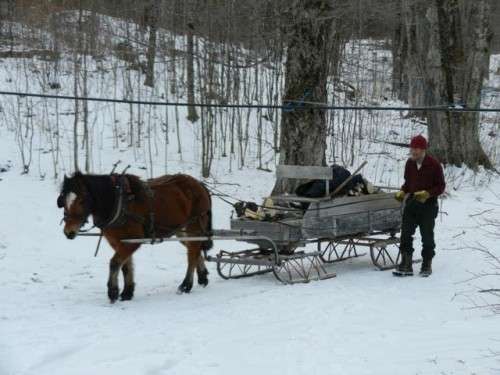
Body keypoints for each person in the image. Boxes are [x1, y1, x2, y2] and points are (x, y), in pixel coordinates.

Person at [393, 135, 445, 277]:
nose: (413, 152)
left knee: (427, 236)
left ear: (423, 150)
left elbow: (441, 186)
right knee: (405, 234)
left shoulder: (434, 165)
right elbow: (408, 183)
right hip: (412, 205)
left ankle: (426, 263)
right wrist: (403, 191)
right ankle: (406, 263)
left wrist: (428, 194)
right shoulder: (410, 164)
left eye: (416, 149)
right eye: (412, 148)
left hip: (428, 206)